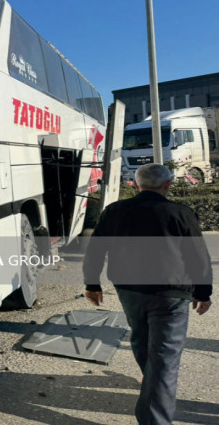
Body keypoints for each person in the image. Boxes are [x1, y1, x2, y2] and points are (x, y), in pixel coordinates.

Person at [83, 163, 212, 425]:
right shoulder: (180, 213)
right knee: (164, 358)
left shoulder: (114, 211)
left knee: (142, 341)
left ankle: (154, 388)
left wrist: (92, 283)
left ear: (136, 184)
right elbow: (198, 257)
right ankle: (155, 417)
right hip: (171, 294)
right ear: (168, 185)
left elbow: (96, 250)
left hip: (128, 290)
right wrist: (203, 291)